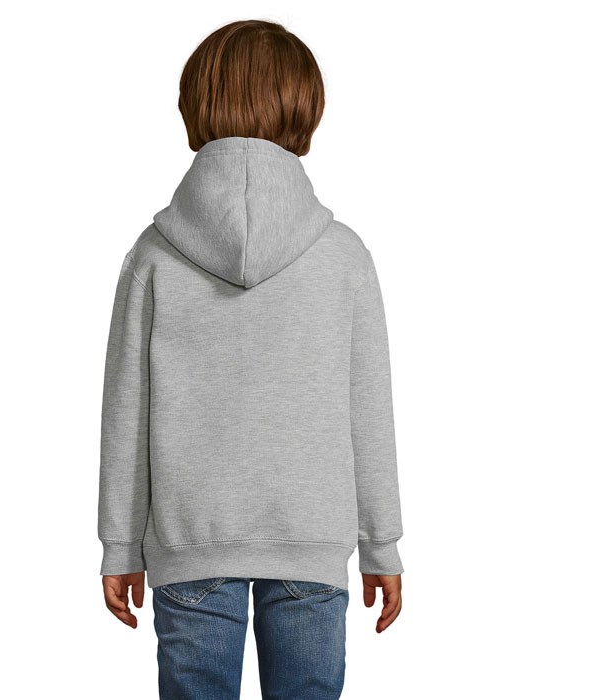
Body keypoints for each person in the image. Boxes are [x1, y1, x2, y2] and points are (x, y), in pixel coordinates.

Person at [97, 18, 404, 700]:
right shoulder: (343, 256)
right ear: (304, 107)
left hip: (188, 544)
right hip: (311, 545)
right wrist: (381, 544)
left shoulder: (153, 255)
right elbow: (368, 412)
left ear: (196, 103)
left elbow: (126, 413)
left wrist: (120, 544)